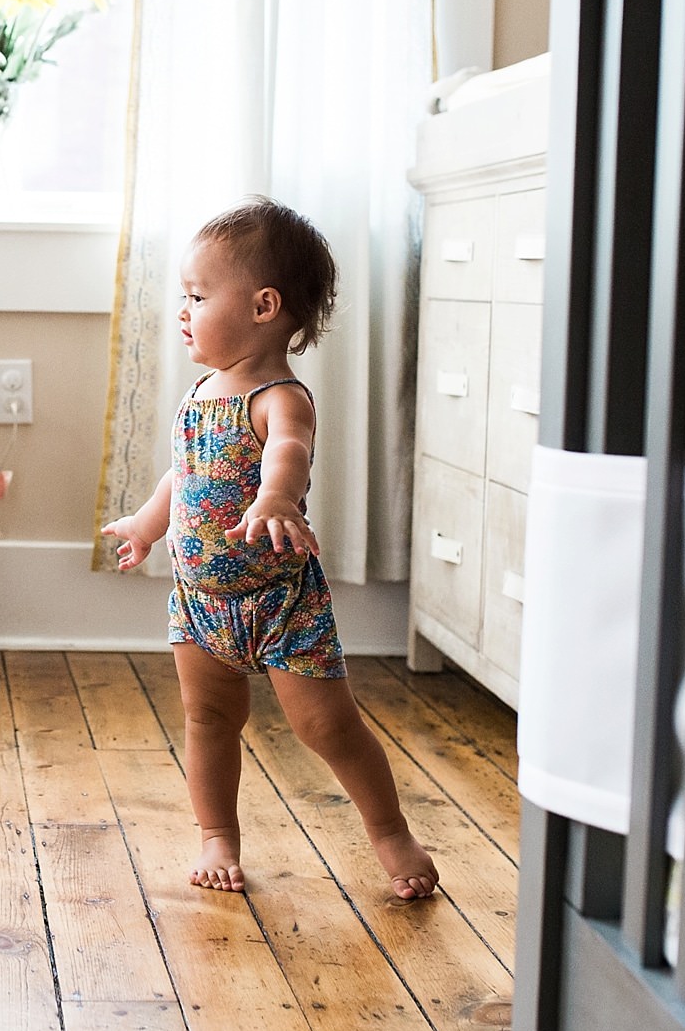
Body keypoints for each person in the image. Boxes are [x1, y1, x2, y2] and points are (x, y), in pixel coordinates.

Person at [102, 197, 440, 903]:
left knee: (328, 727)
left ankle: (389, 833)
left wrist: (277, 496)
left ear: (263, 306)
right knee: (208, 722)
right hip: (201, 604)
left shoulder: (280, 398)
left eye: (198, 296)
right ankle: (216, 835)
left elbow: (288, 451)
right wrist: (146, 522)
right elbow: (185, 470)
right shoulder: (200, 393)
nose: (184, 311)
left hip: (279, 605)